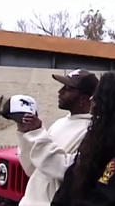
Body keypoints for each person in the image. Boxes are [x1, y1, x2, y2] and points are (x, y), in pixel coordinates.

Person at [51, 70, 115, 206]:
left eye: (98, 94)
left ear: (112, 100)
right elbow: (74, 175)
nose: (91, 99)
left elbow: (109, 194)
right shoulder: (98, 133)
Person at [15, 69, 99, 206]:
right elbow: (32, 169)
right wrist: (26, 135)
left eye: (68, 89)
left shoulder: (91, 131)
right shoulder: (60, 123)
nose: (60, 92)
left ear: (84, 98)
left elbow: (66, 170)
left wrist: (37, 134)